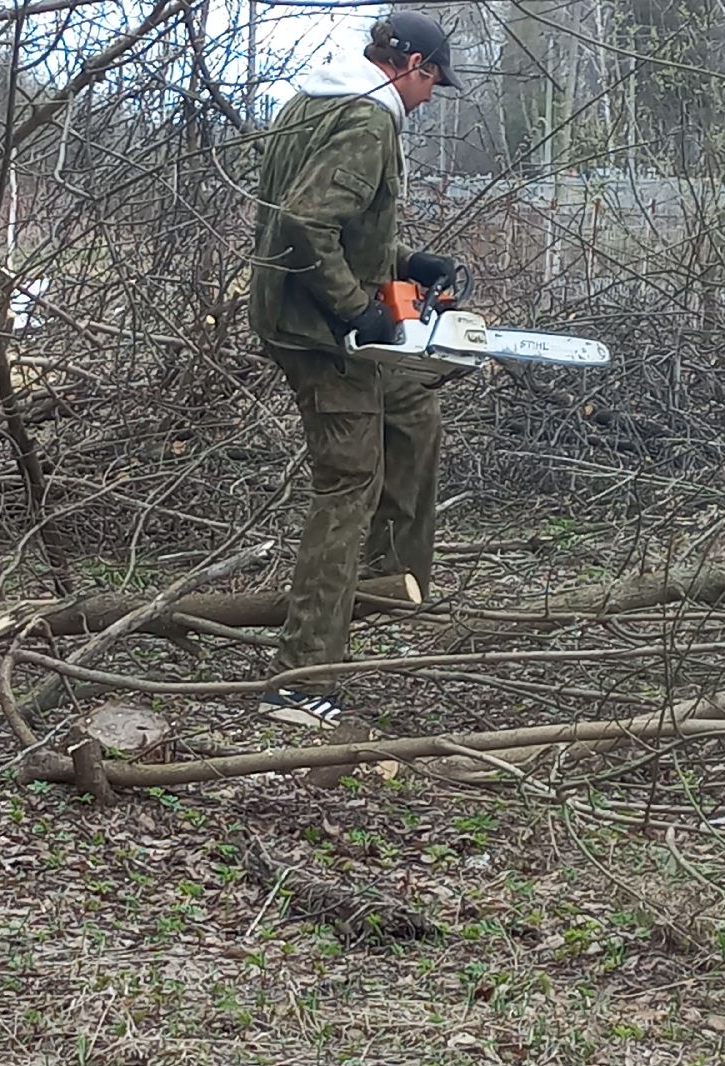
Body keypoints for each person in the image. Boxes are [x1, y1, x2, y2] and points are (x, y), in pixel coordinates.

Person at [248, 11, 465, 726]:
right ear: (415, 68)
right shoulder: (370, 121)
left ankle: (384, 585)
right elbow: (303, 225)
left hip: (301, 313)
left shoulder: (310, 102)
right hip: (316, 332)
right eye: (434, 84)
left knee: (414, 406)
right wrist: (353, 310)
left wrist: (405, 266)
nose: (431, 99)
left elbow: (330, 222)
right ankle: (300, 677)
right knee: (347, 481)